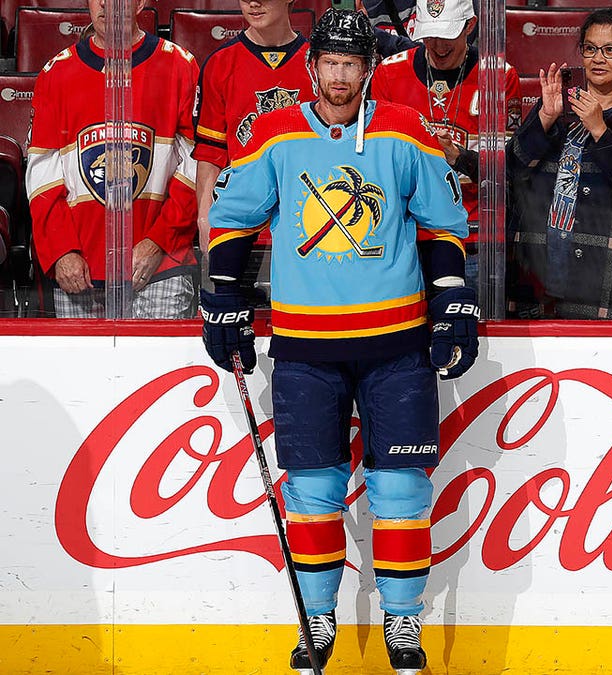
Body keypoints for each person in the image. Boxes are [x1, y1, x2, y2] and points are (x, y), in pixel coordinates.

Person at [199, 10, 476, 673]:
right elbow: (233, 218)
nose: (341, 75)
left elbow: (442, 223)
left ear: (369, 69)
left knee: (403, 488)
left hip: (396, 345)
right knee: (314, 488)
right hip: (305, 346)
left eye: (353, 64)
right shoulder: (273, 134)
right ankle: (317, 616)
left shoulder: (405, 130)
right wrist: (224, 297)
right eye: (331, 62)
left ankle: (403, 622)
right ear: (312, 66)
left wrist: (453, 300)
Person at [26, 0, 199, 319]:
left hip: (161, 266)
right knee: (80, 371)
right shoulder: (56, 73)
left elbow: (196, 168)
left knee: (158, 369)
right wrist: (63, 250)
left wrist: (158, 242)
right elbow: (42, 177)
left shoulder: (180, 66)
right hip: (80, 272)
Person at [505, 8, 612, 319]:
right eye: (590, 49)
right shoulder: (557, 104)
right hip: (534, 268)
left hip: (601, 273)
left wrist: (600, 131)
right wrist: (544, 119)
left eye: (610, 50)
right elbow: (513, 169)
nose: (597, 59)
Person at [371, 0, 521, 288]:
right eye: (430, 35)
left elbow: (508, 170)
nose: (438, 46)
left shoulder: (500, 75)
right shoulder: (389, 73)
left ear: (470, 26)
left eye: (448, 35)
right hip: (408, 234)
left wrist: (458, 156)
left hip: (474, 234)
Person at [193, 0, 315, 302]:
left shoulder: (319, 64)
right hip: (239, 228)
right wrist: (205, 219)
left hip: (308, 225)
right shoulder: (220, 63)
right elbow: (211, 153)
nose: (253, 2)